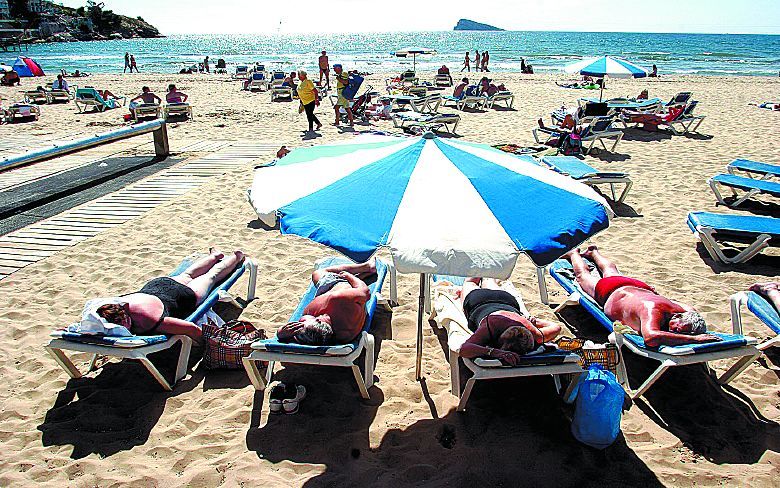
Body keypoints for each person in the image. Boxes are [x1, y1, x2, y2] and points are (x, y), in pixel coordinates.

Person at [565, 246, 721, 348]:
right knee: (582, 276)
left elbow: (691, 315)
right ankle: (573, 253)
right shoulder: (653, 311)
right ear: (678, 316)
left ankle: (594, 252)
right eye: (678, 329)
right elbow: (651, 338)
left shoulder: (687, 310)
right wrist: (695, 339)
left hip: (640, 288)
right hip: (611, 290)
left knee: (611, 271)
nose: (675, 332)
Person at [92, 249, 245, 342]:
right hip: (159, 285)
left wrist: (206, 344)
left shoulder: (146, 320)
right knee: (188, 274)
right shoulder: (118, 302)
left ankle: (237, 257)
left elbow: (191, 329)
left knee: (212, 276)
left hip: (184, 295)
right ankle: (215, 256)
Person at [457, 278, 562, 365]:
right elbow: (464, 350)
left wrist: (535, 322)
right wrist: (493, 352)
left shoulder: (534, 332)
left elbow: (556, 327)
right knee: (473, 282)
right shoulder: (490, 327)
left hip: (504, 299)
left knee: (477, 280)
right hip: (479, 302)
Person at [276, 260, 376, 345]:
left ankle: (360, 276)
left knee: (318, 275)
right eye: (301, 323)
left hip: (337, 294)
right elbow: (365, 292)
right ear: (318, 321)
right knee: (319, 273)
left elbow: (301, 337)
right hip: (339, 286)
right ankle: (366, 267)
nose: (299, 322)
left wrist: (280, 333)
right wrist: (349, 276)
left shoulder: (320, 335)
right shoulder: (339, 301)